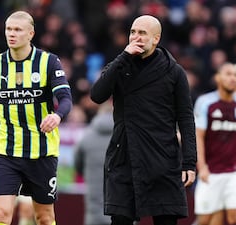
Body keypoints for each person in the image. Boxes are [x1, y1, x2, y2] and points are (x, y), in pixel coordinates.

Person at [0, 11, 72, 225]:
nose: (11, 34)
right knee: (1, 214)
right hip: (5, 151)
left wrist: (58, 116)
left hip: (41, 152)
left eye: (17, 30)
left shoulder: (48, 62)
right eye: (8, 29)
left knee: (44, 217)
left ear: (30, 33)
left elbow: (66, 98)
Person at [90, 15, 197, 225]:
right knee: (120, 219)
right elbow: (97, 95)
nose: (135, 37)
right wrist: (123, 58)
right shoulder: (120, 65)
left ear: (156, 39)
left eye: (142, 33)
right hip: (124, 157)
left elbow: (186, 118)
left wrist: (189, 163)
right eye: (132, 32)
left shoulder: (174, 71)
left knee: (166, 219)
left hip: (162, 158)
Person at [194, 62, 236, 225]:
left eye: (235, 75)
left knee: (235, 217)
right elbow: (198, 136)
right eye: (228, 74)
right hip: (211, 172)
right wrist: (202, 166)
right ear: (218, 78)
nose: (233, 78)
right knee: (207, 220)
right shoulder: (206, 102)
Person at [74, 101, 113, 225]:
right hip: (123, 211)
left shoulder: (86, 137)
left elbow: (78, 166)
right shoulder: (128, 137)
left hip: (94, 213)